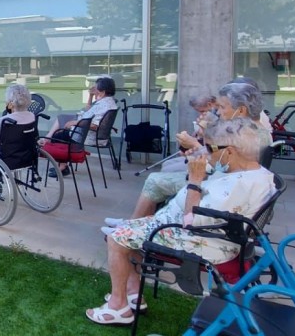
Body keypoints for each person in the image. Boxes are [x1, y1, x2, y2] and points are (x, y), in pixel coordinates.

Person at [88, 117, 275, 326]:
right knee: (128, 228)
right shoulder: (254, 173)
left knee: (116, 238)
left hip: (200, 241)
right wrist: (200, 160)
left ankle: (118, 306)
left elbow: (191, 221)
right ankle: (133, 293)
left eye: (210, 147)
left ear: (230, 152)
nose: (207, 152)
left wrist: (195, 179)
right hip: (210, 235)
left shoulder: (240, 186)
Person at [106, 82, 271, 226]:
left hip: (212, 183)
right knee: (165, 173)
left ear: (241, 110)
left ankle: (137, 223)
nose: (218, 112)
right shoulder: (245, 127)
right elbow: (223, 158)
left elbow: (224, 164)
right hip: (216, 180)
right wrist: (199, 146)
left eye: (222, 107)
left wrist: (196, 145)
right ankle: (141, 222)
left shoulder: (250, 134)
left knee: (154, 180)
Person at [41, 77, 117, 176]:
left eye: (96, 88)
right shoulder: (108, 102)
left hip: (87, 135)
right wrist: (91, 95)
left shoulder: (104, 105)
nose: (94, 90)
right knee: (62, 121)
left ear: (102, 92)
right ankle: (49, 144)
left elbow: (94, 125)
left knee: (58, 135)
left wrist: (74, 123)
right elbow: (88, 110)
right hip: (89, 132)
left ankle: (62, 167)